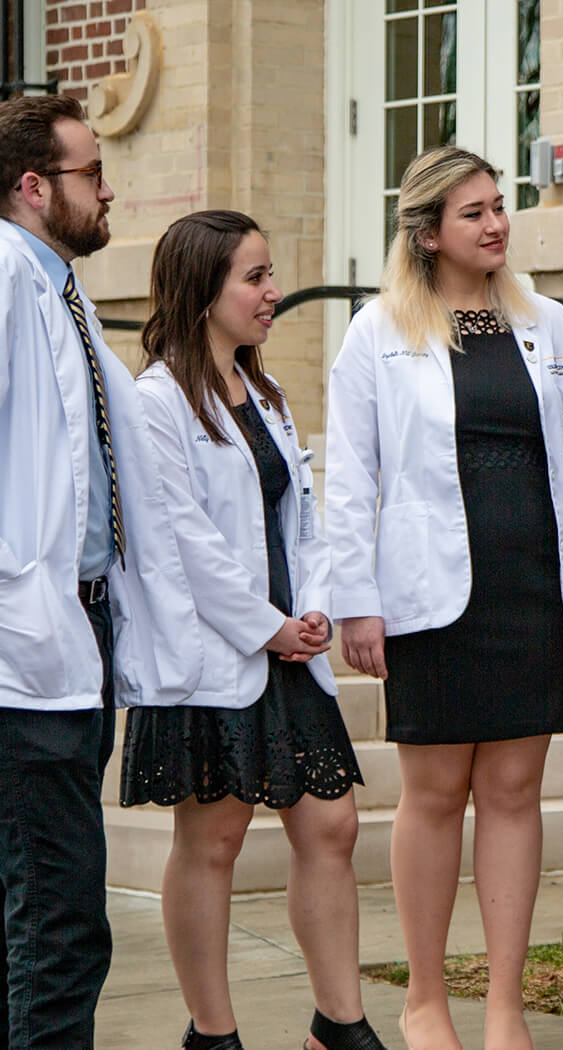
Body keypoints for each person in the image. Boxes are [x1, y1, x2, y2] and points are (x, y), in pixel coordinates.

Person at [325, 146, 563, 1050]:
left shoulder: (548, 324)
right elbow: (351, 476)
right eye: (474, 213)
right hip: (430, 594)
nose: (496, 224)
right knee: (432, 793)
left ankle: (504, 1006)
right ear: (427, 233)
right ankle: (424, 999)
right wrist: (355, 599)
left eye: (499, 206)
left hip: (531, 584)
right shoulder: (377, 332)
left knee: (513, 790)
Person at [120, 210, 388, 1050]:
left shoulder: (264, 394)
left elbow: (302, 518)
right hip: (216, 653)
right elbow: (181, 539)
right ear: (205, 291)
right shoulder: (156, 401)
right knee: (214, 839)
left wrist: (313, 606)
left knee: (332, 826)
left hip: (289, 650)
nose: (273, 292)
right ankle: (213, 1032)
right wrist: (266, 626)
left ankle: (339, 1024)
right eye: (256, 277)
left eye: (271, 275)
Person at [0, 92, 200, 1048]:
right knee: (61, 918)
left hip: (75, 629)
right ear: (35, 187)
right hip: (24, 639)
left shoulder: (60, 289)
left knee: (41, 908)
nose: (109, 190)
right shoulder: (6, 279)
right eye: (92, 172)